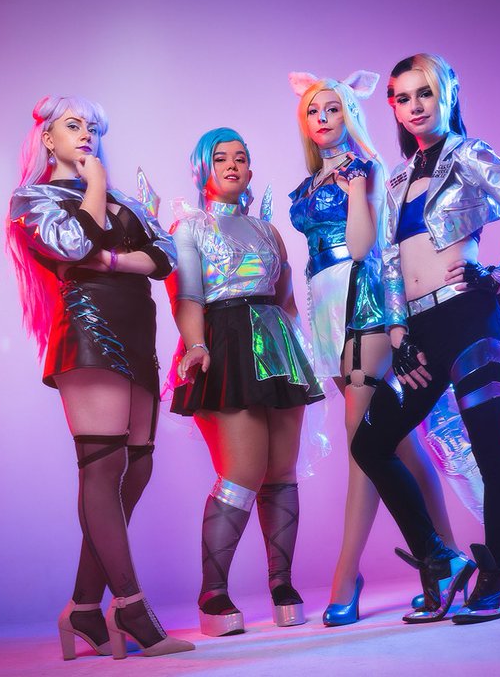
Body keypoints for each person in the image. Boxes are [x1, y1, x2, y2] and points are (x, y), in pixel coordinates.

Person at [351, 53, 500, 624]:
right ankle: (440, 561)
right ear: (393, 108)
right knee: (370, 444)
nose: (415, 106)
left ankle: (497, 580)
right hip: (419, 333)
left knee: (490, 450)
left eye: (425, 93)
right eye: (403, 98)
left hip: (470, 320)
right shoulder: (397, 179)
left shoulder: (471, 155)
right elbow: (390, 264)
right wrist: (399, 334)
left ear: (446, 96)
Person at [6, 95, 194, 658]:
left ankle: (84, 607)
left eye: (91, 127)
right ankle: (129, 607)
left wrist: (111, 259)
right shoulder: (33, 198)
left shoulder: (124, 199)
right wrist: (95, 188)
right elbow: (74, 243)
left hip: (138, 334)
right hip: (87, 334)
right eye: (73, 125)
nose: (85, 134)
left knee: (138, 466)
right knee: (103, 467)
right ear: (48, 139)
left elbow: (165, 256)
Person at [288, 70, 470, 625]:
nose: (323, 118)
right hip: (326, 310)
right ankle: (447, 560)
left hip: (365, 300)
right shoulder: (310, 180)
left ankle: (347, 577)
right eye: (313, 110)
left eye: (333, 109)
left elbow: (365, 246)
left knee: (360, 443)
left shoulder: (364, 169)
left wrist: (353, 192)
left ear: (350, 114)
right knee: (399, 442)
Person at [166, 127, 324, 636]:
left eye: (240, 157)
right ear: (203, 169)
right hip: (225, 341)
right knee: (242, 471)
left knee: (281, 470)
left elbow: (286, 300)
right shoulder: (189, 228)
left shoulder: (268, 231)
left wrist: (304, 351)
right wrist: (196, 345)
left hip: (276, 345)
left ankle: (282, 585)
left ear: (251, 170)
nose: (232, 165)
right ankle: (212, 593)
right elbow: (187, 296)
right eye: (220, 158)